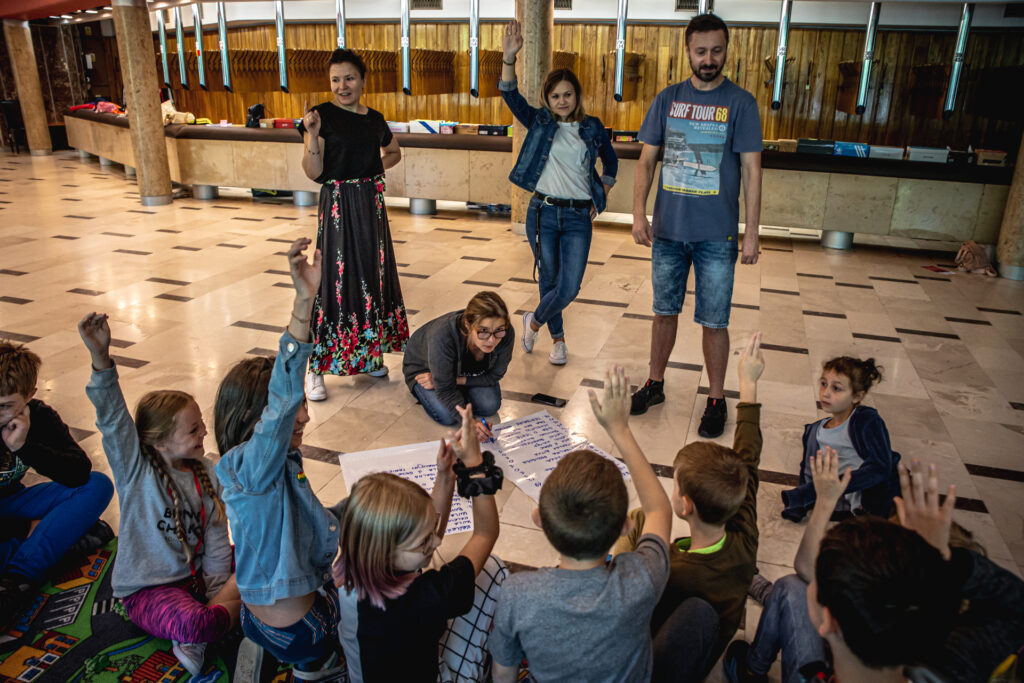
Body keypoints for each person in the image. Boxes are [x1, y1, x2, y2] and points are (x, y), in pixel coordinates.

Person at [727, 457, 1024, 683]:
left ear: (828, 622)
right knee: (792, 587)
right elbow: (1015, 607)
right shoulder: (951, 659)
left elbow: (805, 571)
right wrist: (931, 562)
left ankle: (751, 670)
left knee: (792, 587)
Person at [489, 365, 674, 683]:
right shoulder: (641, 578)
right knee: (698, 617)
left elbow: (503, 675)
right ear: (627, 526)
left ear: (540, 521)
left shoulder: (517, 595)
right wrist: (621, 431)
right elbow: (659, 509)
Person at [79, 313, 240, 676]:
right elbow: (114, 421)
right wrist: (102, 360)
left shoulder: (208, 473)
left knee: (267, 552)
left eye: (202, 425)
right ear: (160, 440)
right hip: (149, 591)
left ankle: (224, 610)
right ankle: (215, 622)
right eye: (193, 430)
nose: (203, 434)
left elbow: (216, 542)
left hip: (199, 581)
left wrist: (217, 591)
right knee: (197, 624)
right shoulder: (137, 471)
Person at [214, 239, 346, 679]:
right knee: (388, 593)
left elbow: (310, 526)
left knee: (366, 505)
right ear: (259, 421)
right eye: (297, 409)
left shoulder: (257, 468)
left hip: (260, 618)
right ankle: (316, 666)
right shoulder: (257, 466)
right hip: (306, 628)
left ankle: (265, 645)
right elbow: (285, 399)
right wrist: (304, 301)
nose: (306, 414)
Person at [629, 13, 762, 440]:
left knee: (714, 320)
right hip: (668, 231)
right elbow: (646, 161)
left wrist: (752, 230)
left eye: (716, 51)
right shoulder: (667, 99)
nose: (709, 59)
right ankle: (655, 384)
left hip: (716, 235)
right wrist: (637, 213)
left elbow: (752, 172)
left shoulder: (741, 103)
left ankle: (717, 398)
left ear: (726, 51)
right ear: (687, 51)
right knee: (663, 312)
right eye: (701, 51)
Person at [615, 332, 765, 679]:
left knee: (634, 530)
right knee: (638, 517)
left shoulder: (671, 569)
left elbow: (625, 598)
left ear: (685, 506)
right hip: (707, 636)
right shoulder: (743, 531)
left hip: (663, 659)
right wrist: (748, 386)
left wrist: (620, 430)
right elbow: (748, 458)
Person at [334, 403, 505, 682]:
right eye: (423, 543)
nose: (437, 540)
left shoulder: (350, 568)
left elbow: (427, 527)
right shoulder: (425, 598)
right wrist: (475, 466)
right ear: (386, 553)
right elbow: (486, 534)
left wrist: (445, 474)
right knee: (493, 568)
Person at [499, 19, 618, 366]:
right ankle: (559, 340)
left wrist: (602, 193)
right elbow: (509, 94)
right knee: (549, 279)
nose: (562, 100)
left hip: (580, 215)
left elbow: (610, 163)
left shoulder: (592, 126)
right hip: (544, 212)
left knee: (569, 287)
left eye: (567, 94)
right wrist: (509, 59)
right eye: (555, 96)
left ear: (577, 96)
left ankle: (532, 321)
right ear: (547, 99)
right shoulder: (539, 122)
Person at [299, 48, 408, 401]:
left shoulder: (374, 119)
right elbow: (314, 173)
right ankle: (317, 368)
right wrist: (312, 135)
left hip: (370, 204)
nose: (342, 86)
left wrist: (371, 166)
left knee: (370, 278)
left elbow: (394, 152)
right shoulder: (320, 116)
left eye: (349, 78)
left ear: (362, 80)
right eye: (335, 79)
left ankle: (368, 354)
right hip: (337, 205)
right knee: (334, 280)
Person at [0, 341, 114, 631]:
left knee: (97, 485)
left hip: (15, 502)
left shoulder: (39, 415)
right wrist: (23, 529)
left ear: (29, 396)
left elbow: (78, 473)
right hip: (13, 519)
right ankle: (58, 541)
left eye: (4, 406)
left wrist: (25, 446)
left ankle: (17, 581)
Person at [781, 356, 900, 521]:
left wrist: (817, 490)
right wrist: (799, 503)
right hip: (844, 506)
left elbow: (880, 467)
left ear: (857, 396)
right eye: (823, 384)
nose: (826, 393)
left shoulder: (865, 420)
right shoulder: (815, 430)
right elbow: (808, 470)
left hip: (880, 503)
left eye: (836, 388)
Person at [402, 291, 513, 442]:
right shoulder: (442, 336)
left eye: (498, 331)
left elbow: (494, 375)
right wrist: (470, 423)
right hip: (423, 369)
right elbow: (446, 391)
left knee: (490, 405)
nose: (492, 340)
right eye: (483, 332)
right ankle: (455, 391)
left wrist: (454, 380)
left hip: (460, 375)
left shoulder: (505, 333)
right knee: (447, 416)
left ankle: (457, 389)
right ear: (468, 324)